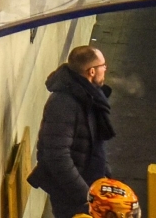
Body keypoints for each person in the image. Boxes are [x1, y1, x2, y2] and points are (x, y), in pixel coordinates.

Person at [29, 45, 115, 218]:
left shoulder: (88, 96)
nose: (105, 69)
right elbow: (57, 156)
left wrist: (104, 174)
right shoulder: (63, 104)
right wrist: (85, 195)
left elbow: (93, 142)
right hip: (72, 197)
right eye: (103, 65)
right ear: (91, 71)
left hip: (89, 187)